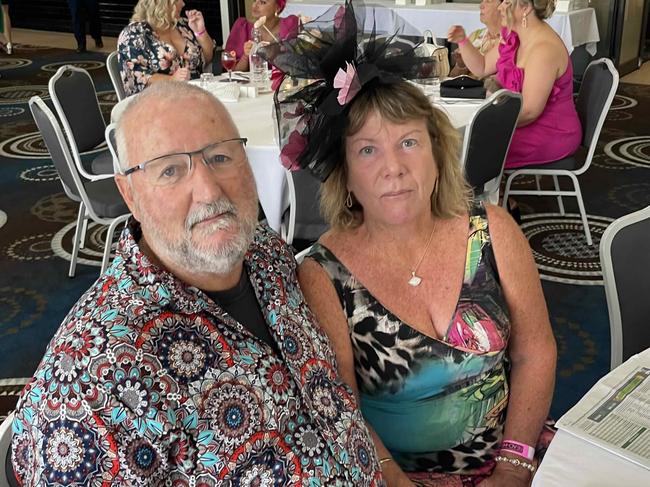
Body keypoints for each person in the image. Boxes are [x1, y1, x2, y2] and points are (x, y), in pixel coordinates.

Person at [10, 81, 384, 486]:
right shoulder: (92, 379)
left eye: (220, 156)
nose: (208, 190)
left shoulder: (263, 253)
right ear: (129, 194)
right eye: (170, 169)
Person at [265, 2, 557, 486]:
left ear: (437, 155)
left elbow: (536, 351)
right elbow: (341, 407)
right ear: (346, 179)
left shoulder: (494, 230)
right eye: (367, 150)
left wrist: (514, 465)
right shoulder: (322, 274)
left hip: (515, 457)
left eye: (408, 142)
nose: (393, 167)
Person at [448, 0, 581, 169]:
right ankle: (483, 192)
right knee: (458, 142)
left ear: (525, 7)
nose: (500, 7)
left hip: (547, 133)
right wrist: (462, 40)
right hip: (520, 121)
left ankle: (481, 192)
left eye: (507, 2)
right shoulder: (515, 37)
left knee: (467, 146)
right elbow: (482, 66)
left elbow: (529, 112)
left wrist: (482, 123)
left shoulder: (544, 50)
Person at [118, 0, 214, 97]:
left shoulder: (183, 25)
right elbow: (137, 78)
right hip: (157, 102)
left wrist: (200, 32)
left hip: (194, 96)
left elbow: (206, 60)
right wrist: (172, 80)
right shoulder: (134, 34)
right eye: (178, 0)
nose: (183, 4)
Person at [225, 0, 299, 72]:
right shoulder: (241, 26)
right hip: (252, 83)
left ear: (277, 8)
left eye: (263, 2)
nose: (255, 5)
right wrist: (246, 55)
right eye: (254, 0)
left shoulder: (290, 24)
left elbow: (298, 63)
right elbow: (233, 71)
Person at [448, 0, 501, 78]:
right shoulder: (475, 35)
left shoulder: (509, 40)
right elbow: (453, 77)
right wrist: (461, 65)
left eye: (488, 1)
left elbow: (484, 69)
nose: (481, 6)